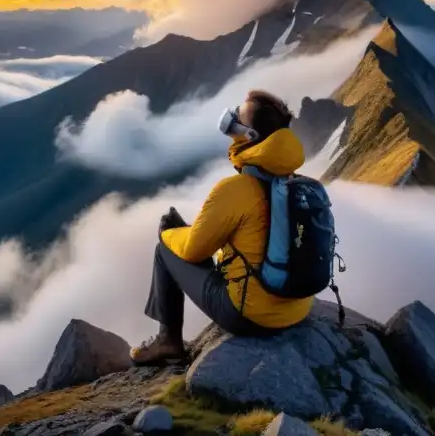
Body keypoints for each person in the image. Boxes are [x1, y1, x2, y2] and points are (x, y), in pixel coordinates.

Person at [131, 89, 314, 365]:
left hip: (250, 315)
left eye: (238, 118)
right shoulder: (294, 182)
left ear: (249, 137)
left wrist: (169, 234)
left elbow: (193, 251)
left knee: (163, 250)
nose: (232, 120)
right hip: (296, 308)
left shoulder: (235, 190)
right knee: (189, 239)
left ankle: (168, 342)